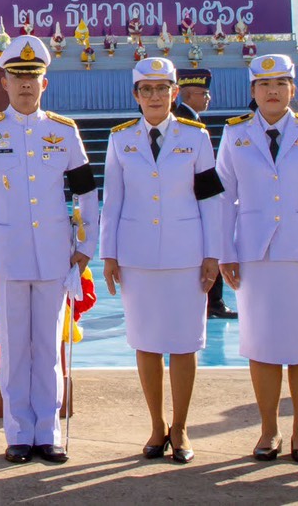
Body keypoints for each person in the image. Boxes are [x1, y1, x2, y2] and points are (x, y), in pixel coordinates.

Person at [0, 36, 98, 465]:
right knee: (14, 349)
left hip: (55, 254)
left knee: (48, 348)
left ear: (45, 83)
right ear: (4, 82)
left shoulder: (64, 131)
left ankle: (49, 432)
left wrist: (86, 246)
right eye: (17, 76)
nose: (25, 84)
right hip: (6, 254)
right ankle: (19, 433)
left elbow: (86, 192)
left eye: (33, 76)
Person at [100, 57, 222, 464]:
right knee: (146, 342)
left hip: (186, 254)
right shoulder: (121, 139)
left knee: (185, 344)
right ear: (136, 96)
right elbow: (113, 200)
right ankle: (157, 425)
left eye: (162, 89)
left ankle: (181, 427)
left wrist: (213, 253)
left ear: (175, 93)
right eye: (146, 90)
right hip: (136, 255)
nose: (154, 97)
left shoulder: (196, 137)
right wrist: (109, 254)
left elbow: (210, 198)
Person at [217, 54, 298, 464]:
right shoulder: (235, 134)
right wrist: (226, 251)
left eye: (281, 83)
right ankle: (269, 429)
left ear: (293, 89)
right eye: (264, 84)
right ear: (252, 91)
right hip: (255, 254)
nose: (272, 91)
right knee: (262, 345)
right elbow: (224, 197)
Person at [175, 69, 235, 320]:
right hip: (195, 200)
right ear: (188, 95)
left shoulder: (190, 119)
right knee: (210, 246)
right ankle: (214, 302)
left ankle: (211, 301)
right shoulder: (187, 123)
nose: (208, 98)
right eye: (204, 93)